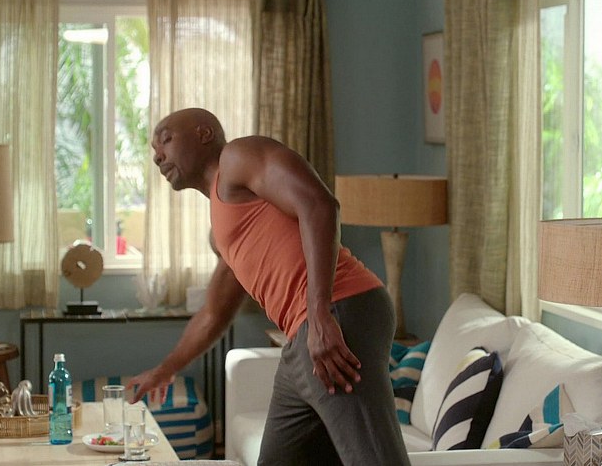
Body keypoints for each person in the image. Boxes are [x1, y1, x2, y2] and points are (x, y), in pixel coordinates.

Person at [127, 107, 410, 465]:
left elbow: (319, 204)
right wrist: (165, 369)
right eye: (154, 150)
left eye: (166, 140)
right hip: (301, 336)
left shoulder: (238, 157)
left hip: (340, 309)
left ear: (204, 133)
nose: (158, 156)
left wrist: (320, 314)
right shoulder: (223, 228)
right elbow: (214, 313)